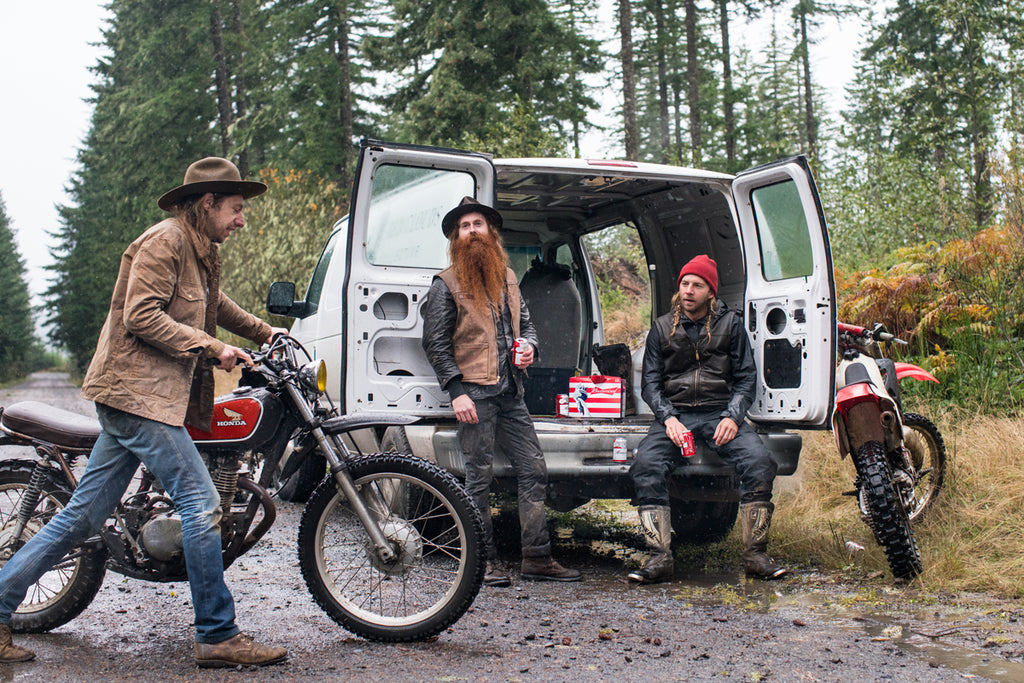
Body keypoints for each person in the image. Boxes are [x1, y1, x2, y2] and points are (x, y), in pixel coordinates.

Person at [0, 157, 289, 667]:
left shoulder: (198, 251)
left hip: (142, 398)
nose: (241, 220)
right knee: (202, 506)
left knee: (82, 517)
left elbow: (213, 304)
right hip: (137, 397)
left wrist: (265, 332)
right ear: (208, 203)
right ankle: (217, 634)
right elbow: (140, 315)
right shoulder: (166, 241)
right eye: (236, 209)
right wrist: (208, 347)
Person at [421, 196, 581, 587]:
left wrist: (530, 347)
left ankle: (537, 557)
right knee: (478, 478)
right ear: (456, 237)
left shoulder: (507, 277)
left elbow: (527, 326)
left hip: (511, 392)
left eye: (478, 224)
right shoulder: (445, 284)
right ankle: (481, 561)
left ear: (491, 233)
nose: (473, 231)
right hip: (473, 394)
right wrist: (455, 390)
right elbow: (435, 343)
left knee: (533, 469)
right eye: (465, 226)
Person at [627, 254, 788, 584]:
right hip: (677, 414)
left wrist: (732, 416)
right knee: (645, 465)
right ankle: (659, 558)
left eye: (697, 285)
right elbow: (650, 384)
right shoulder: (661, 328)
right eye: (685, 284)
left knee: (758, 462)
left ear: (710, 292)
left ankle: (756, 556)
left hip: (719, 413)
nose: (688, 291)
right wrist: (668, 418)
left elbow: (746, 379)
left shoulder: (731, 326)